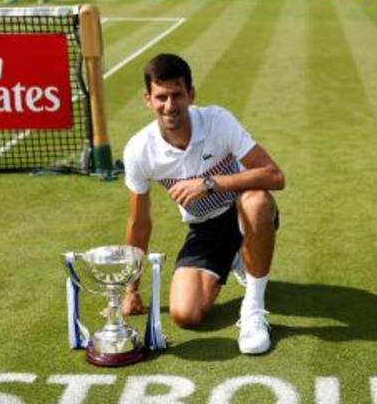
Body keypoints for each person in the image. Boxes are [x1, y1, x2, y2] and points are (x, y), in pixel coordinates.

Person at [121, 54, 284, 356]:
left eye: (177, 95)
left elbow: (274, 175)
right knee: (186, 315)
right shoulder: (139, 150)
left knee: (257, 200)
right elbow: (139, 223)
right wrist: (131, 289)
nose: (170, 106)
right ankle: (237, 257)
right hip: (205, 229)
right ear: (148, 100)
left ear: (191, 95)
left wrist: (209, 182)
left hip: (242, 212)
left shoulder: (218, 121)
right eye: (161, 97)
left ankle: (253, 308)